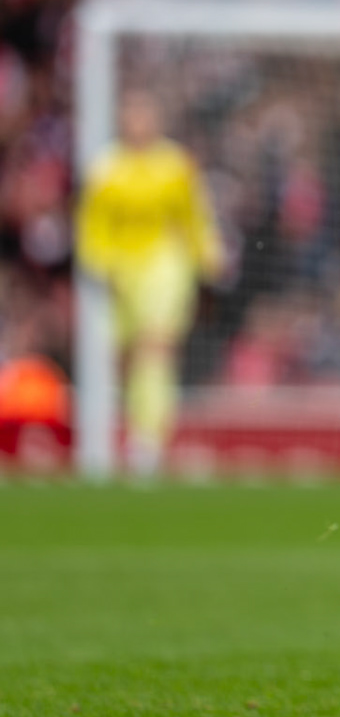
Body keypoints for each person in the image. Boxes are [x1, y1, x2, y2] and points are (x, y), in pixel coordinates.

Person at [75, 92, 227, 477]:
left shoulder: (175, 164)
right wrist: (99, 266)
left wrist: (209, 256)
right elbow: (93, 226)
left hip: (165, 264)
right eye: (131, 111)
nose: (138, 120)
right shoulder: (106, 168)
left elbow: (195, 217)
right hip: (119, 271)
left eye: (144, 112)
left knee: (154, 348)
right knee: (124, 359)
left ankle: (149, 440)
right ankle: (124, 431)